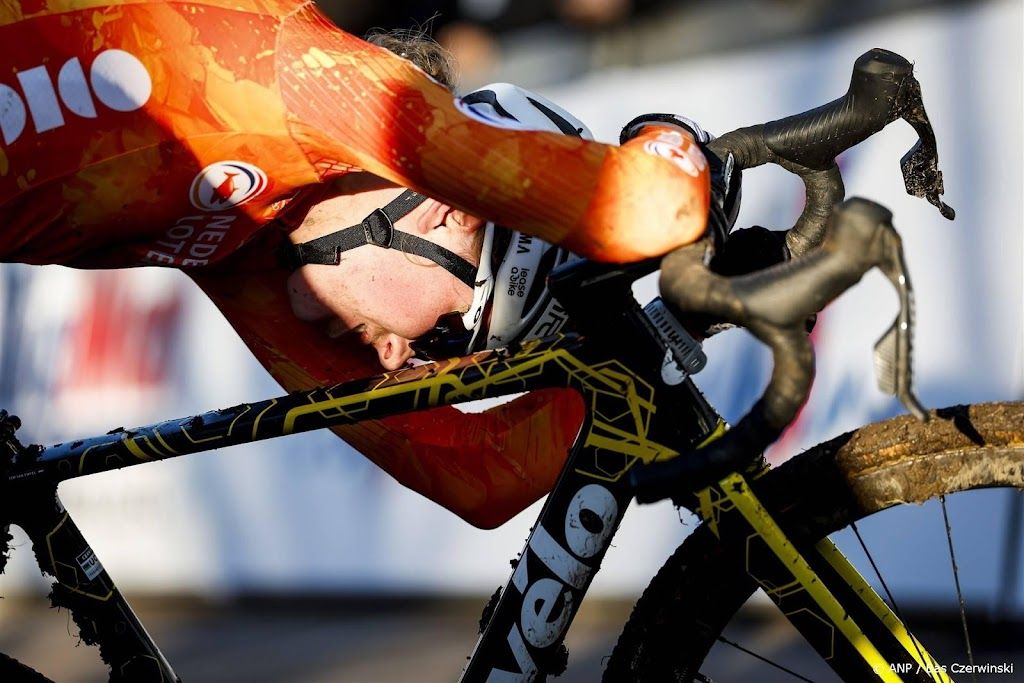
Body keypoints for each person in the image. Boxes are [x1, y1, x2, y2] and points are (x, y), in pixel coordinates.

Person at [0, 0, 714, 528]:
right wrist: (687, 145)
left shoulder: (259, 248)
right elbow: (658, 207)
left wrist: (658, 343)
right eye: (447, 332)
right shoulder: (314, 83)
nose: (406, 358)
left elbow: (472, 472)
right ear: (452, 211)